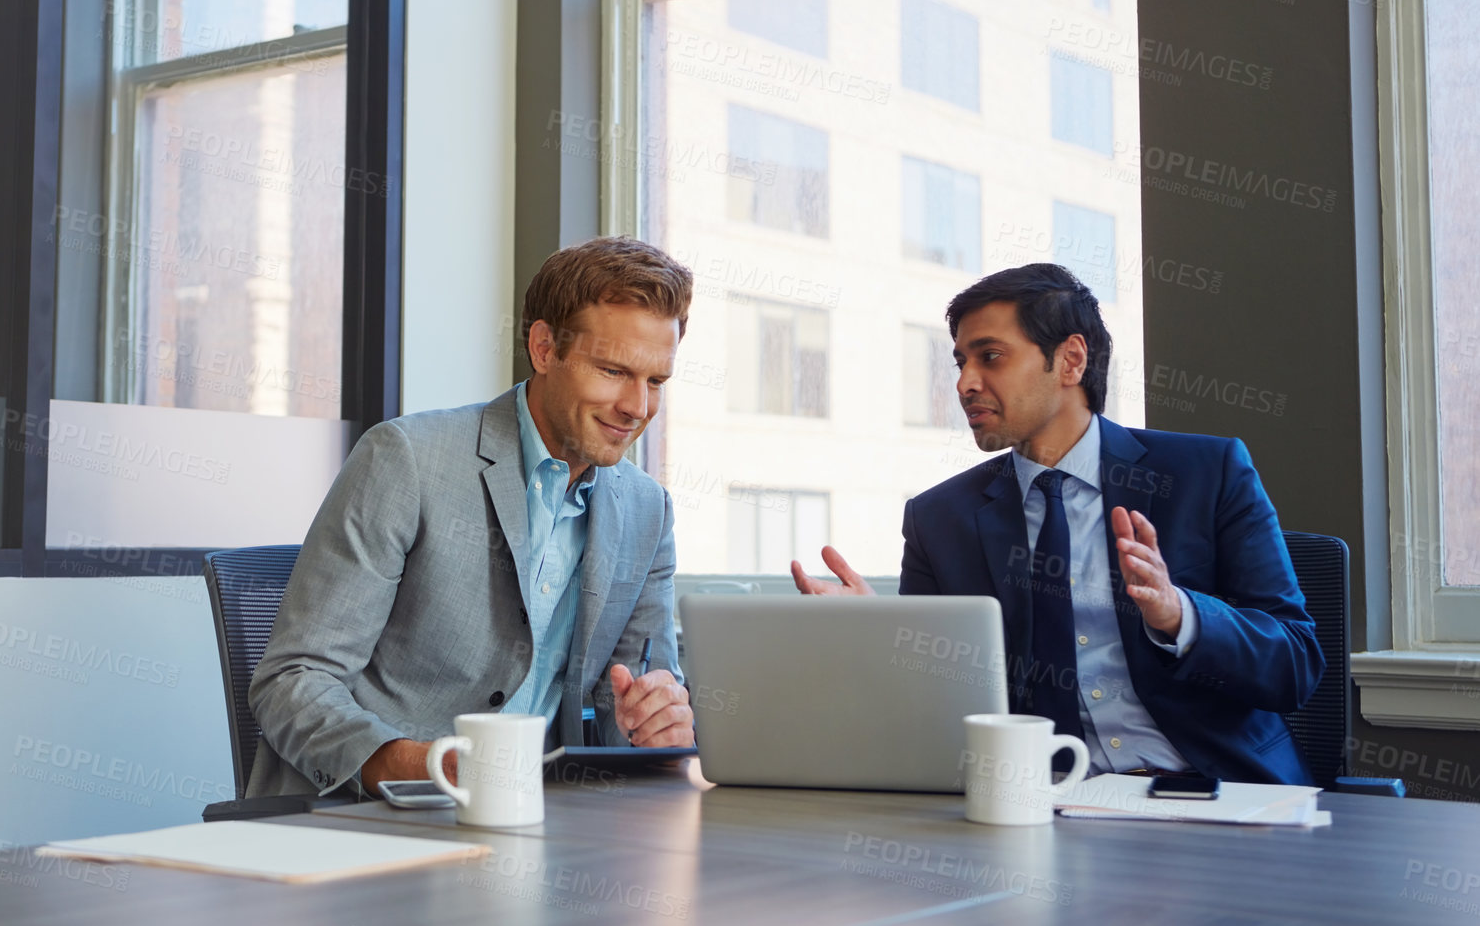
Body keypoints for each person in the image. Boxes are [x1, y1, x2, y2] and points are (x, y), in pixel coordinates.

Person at [792, 263, 1324, 785]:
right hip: (1037, 806)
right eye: (960, 363)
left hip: (1209, 795)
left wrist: (1179, 614)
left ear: (1070, 360)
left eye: (991, 357)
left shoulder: (1206, 475)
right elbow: (933, 708)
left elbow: (1295, 665)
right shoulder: (938, 517)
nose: (965, 383)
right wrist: (877, 636)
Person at [247, 236, 695, 799]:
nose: (637, 407)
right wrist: (428, 766)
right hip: (372, 814)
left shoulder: (646, 510)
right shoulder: (406, 459)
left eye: (656, 381)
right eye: (612, 370)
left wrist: (654, 724)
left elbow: (620, 714)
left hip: (536, 818)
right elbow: (292, 682)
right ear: (544, 348)